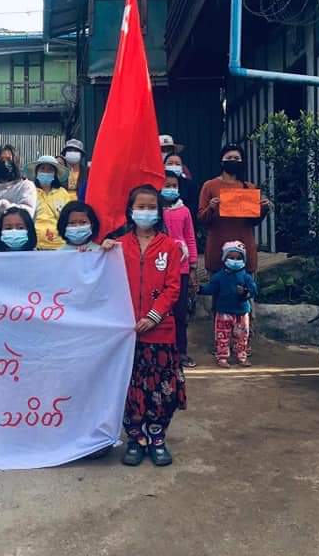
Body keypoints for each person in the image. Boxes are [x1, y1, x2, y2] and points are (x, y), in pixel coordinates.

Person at [102, 184, 185, 467]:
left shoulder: (170, 246)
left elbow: (173, 288)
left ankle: (157, 437)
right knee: (130, 387)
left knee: (160, 390)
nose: (145, 211)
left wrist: (153, 316)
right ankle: (135, 439)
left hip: (160, 332)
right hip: (125, 333)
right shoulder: (117, 246)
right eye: (141, 206)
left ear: (159, 212)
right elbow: (102, 281)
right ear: (130, 210)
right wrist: (102, 249)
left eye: (151, 207)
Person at [197, 143, 270, 274]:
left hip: (245, 251)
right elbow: (201, 218)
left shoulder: (249, 187)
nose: (232, 161)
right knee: (220, 293)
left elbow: (253, 222)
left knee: (246, 293)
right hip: (217, 251)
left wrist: (264, 209)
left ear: (242, 162)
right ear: (221, 161)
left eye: (236, 158)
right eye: (229, 157)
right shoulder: (209, 186)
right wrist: (211, 208)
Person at [160, 172, 198, 368]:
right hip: (159, 266)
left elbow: (190, 237)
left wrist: (192, 265)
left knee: (180, 313)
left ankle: (181, 352)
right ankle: (163, 352)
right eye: (166, 185)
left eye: (173, 185)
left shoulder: (184, 211)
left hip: (181, 268)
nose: (170, 188)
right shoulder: (156, 211)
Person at [200, 241, 257, 368]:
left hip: (242, 312)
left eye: (238, 258)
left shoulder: (246, 277)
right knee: (222, 336)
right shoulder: (219, 277)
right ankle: (222, 357)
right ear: (224, 258)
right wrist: (198, 289)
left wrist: (245, 292)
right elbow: (211, 289)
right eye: (231, 257)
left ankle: (242, 356)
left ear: (244, 259)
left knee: (242, 337)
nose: (234, 260)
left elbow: (253, 291)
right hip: (223, 312)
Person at [28, 155, 74, 251]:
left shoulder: (63, 193)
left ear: (55, 174)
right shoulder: (29, 191)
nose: (46, 172)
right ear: (36, 172)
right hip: (35, 245)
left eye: (50, 170)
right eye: (42, 169)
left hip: (60, 246)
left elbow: (69, 218)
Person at [164, 152, 199, 228]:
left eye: (177, 164)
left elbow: (193, 209)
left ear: (182, 167)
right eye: (170, 163)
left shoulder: (191, 185)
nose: (174, 166)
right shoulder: (158, 183)